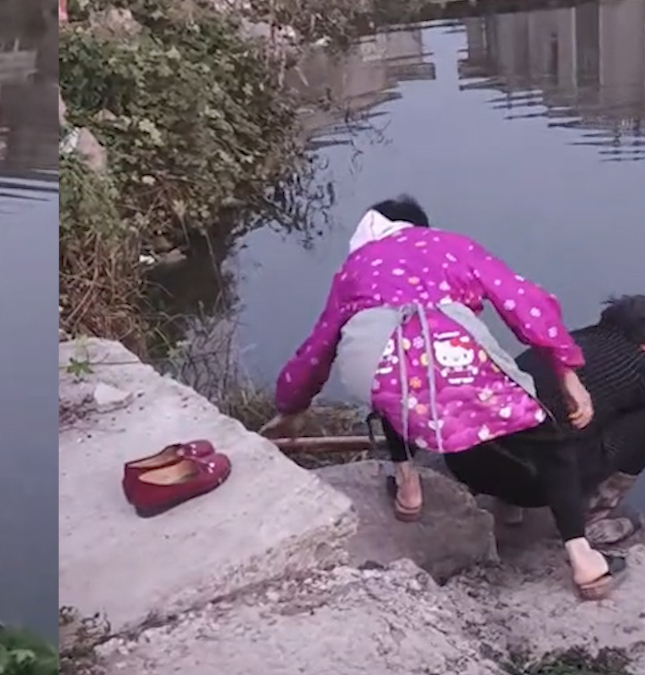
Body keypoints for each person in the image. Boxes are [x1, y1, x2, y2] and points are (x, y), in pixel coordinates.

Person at [266, 194, 623, 598]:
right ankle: (584, 561)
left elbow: (318, 347)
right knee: (549, 439)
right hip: (451, 348)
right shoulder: (452, 245)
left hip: (375, 363)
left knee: (395, 385)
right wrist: (566, 371)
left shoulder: (354, 268)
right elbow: (525, 304)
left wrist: (292, 405)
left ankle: (408, 487)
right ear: (421, 227)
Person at [445, 295, 645, 554]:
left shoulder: (559, 344)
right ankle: (591, 518)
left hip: (468, 463)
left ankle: (508, 509)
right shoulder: (640, 373)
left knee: (545, 417)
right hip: (536, 486)